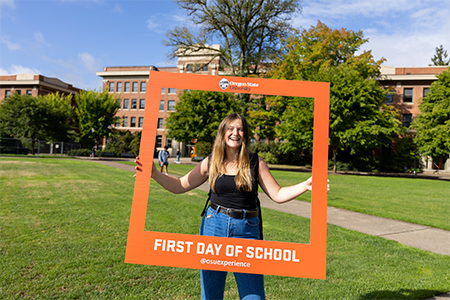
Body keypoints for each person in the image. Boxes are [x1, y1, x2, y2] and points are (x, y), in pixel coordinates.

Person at [135, 113, 329, 300]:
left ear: (245, 134)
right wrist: (154, 174)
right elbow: (179, 186)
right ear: (223, 132)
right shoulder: (211, 161)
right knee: (211, 292)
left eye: (240, 129)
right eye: (231, 128)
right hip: (213, 226)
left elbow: (277, 194)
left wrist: (306, 185)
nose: (235, 133)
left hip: (247, 229)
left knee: (253, 294)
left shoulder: (255, 162)